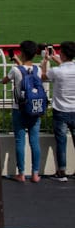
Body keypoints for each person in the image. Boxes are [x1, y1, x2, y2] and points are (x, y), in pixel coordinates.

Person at [1, 40, 44, 183]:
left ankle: (21, 173)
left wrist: (16, 63)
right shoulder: (38, 70)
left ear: (22, 53)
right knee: (34, 141)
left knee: (20, 140)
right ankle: (36, 174)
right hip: (35, 108)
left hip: (19, 109)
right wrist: (18, 61)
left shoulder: (15, 70)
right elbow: (29, 73)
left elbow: (5, 80)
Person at [42, 41, 75, 181]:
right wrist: (56, 59)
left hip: (60, 110)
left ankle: (61, 172)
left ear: (62, 54)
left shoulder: (56, 71)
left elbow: (43, 76)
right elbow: (65, 66)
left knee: (61, 142)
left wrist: (45, 61)